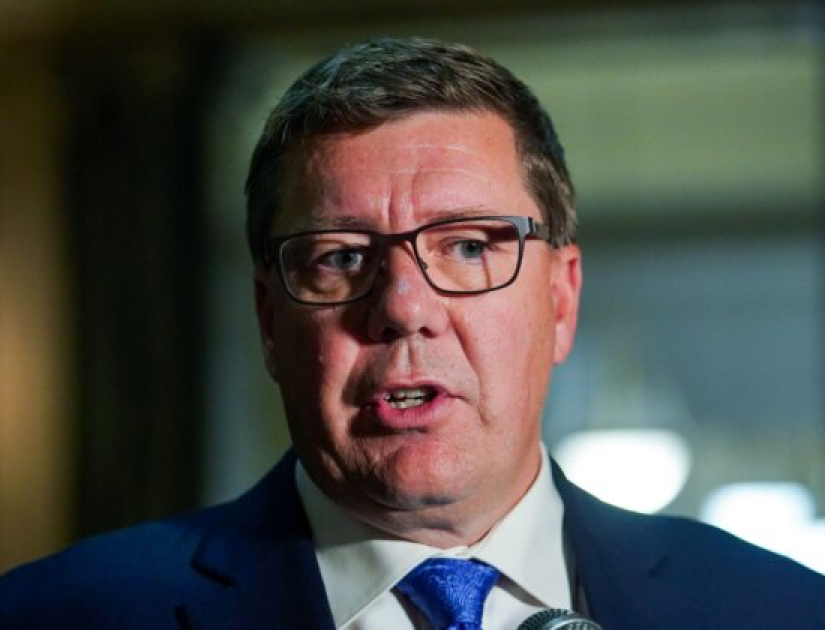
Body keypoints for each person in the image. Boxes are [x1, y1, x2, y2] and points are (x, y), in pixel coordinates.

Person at [1, 36, 823, 630]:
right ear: (269, 320)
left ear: (560, 300)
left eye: (467, 247)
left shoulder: (779, 610)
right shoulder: (55, 615)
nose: (402, 306)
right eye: (339, 257)